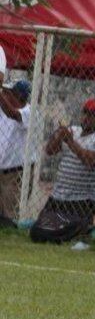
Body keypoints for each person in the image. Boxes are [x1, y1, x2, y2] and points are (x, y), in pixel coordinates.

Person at [30, 99, 95, 243]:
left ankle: (81, 229)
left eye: (92, 115)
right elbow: (50, 150)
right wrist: (58, 136)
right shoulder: (73, 130)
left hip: (82, 200)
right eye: (85, 113)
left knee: (55, 232)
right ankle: (77, 231)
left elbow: (90, 161)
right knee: (37, 232)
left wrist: (70, 141)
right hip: (58, 196)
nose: (87, 118)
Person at [0, 80, 31, 227]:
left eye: (7, 93)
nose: (5, 96)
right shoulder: (4, 109)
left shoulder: (29, 111)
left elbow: (13, 114)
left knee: (9, 217)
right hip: (2, 169)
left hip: (14, 172)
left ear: (18, 95)